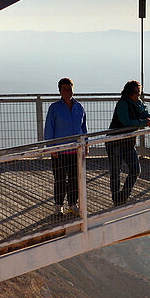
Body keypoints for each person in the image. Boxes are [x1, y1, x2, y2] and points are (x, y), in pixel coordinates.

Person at [43, 77, 86, 216]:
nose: (68, 91)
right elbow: (49, 128)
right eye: (65, 89)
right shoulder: (54, 108)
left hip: (75, 150)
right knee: (60, 179)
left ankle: (73, 205)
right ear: (60, 91)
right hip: (60, 151)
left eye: (70, 88)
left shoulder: (79, 107)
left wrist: (85, 144)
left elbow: (83, 128)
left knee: (74, 179)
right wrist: (51, 148)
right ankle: (58, 206)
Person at [106, 79, 150, 205]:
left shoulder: (138, 103)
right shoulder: (123, 104)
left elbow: (144, 113)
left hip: (128, 142)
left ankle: (123, 196)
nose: (139, 95)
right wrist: (144, 122)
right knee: (116, 172)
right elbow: (126, 121)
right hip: (115, 141)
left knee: (135, 169)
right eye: (138, 92)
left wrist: (148, 119)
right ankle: (117, 200)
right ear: (132, 93)